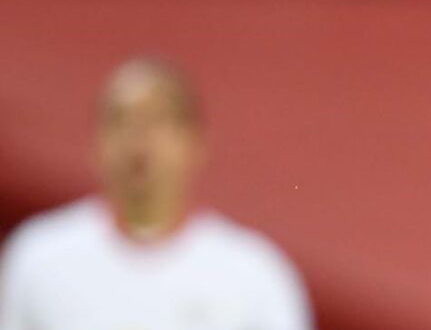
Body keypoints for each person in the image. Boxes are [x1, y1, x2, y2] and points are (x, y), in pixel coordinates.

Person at [0, 58, 313, 330]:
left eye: (157, 120)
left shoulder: (255, 274)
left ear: (195, 141)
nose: (139, 140)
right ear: (96, 141)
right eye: (121, 120)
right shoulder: (37, 257)